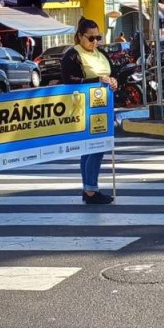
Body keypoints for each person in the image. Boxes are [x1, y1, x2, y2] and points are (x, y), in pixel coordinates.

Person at [60, 17, 117, 205]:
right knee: (95, 148)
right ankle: (91, 190)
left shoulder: (100, 54)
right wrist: (96, 82)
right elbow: (70, 81)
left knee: (93, 149)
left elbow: (110, 75)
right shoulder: (72, 55)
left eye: (97, 38)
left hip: (103, 107)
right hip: (84, 108)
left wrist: (114, 82)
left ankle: (89, 188)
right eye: (90, 38)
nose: (95, 42)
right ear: (79, 37)